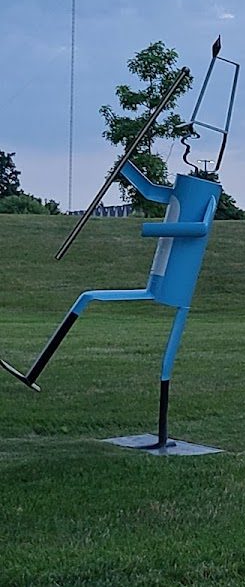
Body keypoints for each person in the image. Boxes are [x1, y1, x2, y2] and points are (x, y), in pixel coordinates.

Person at [2, 162, 221, 451]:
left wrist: (151, 229)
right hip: (156, 279)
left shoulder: (209, 196)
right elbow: (151, 191)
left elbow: (200, 228)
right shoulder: (180, 193)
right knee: (87, 296)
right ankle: (33, 372)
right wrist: (127, 167)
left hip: (176, 288)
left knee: (166, 362)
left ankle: (162, 435)